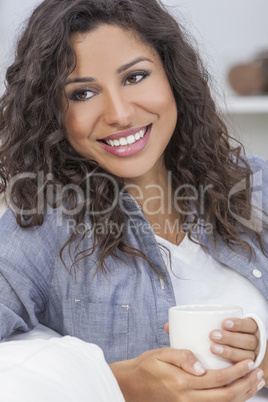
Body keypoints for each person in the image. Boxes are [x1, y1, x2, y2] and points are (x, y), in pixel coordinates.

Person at [0, 0, 267, 400]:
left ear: (173, 77)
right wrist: (118, 384)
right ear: (53, 112)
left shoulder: (254, 183)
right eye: (83, 93)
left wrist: (261, 360)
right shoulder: (42, 224)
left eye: (135, 76)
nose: (120, 114)